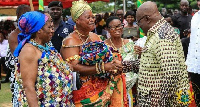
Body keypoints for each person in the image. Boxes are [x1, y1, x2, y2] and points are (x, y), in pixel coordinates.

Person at [61, 0, 123, 106]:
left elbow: (107, 55)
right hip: (83, 95)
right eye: (88, 17)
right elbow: (75, 67)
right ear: (77, 20)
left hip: (103, 88)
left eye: (92, 17)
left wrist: (114, 62)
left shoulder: (94, 36)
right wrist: (104, 67)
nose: (92, 20)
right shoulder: (70, 41)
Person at [12, 11, 74, 106]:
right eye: (49, 27)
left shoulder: (45, 47)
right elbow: (29, 87)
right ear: (38, 30)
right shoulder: (29, 51)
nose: (52, 30)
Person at [136, 1, 191, 106]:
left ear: (147, 19)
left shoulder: (162, 34)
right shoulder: (157, 32)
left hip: (164, 100)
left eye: (139, 22)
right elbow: (152, 63)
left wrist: (160, 100)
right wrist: (125, 66)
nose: (139, 26)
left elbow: (171, 73)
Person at [104, 16, 139, 107]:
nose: (117, 29)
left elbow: (135, 65)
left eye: (120, 26)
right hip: (110, 88)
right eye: (113, 27)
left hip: (129, 87)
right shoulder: (104, 46)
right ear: (107, 29)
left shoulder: (130, 43)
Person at [186, 2, 200, 105]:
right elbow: (193, 41)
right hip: (195, 65)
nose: (199, 2)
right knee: (196, 96)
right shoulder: (195, 17)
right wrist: (189, 64)